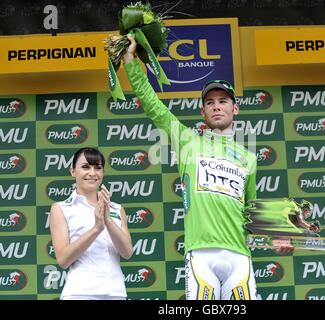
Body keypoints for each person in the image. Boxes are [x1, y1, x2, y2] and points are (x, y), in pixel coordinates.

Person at [121, 35, 264, 300]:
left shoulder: (249, 159)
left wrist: (277, 236)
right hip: (200, 254)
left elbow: (252, 214)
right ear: (202, 112)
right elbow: (153, 106)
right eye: (210, 102)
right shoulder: (187, 141)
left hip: (240, 256)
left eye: (223, 101)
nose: (217, 106)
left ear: (236, 108)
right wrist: (130, 60)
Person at [49, 147, 133, 300]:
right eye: (85, 167)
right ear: (73, 171)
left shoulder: (117, 209)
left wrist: (107, 220)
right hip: (79, 293)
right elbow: (63, 260)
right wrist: (96, 228)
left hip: (116, 292)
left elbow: (127, 252)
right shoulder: (61, 208)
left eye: (98, 167)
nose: (92, 173)